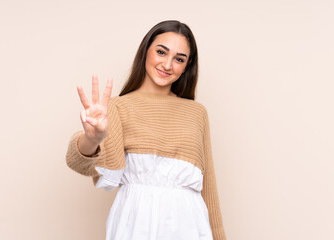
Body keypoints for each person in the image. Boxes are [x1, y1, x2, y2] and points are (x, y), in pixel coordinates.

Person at [65, 20, 226, 240]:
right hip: (135, 221)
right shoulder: (118, 107)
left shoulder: (196, 113)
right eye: (161, 52)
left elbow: (208, 188)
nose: (168, 65)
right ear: (146, 51)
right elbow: (97, 171)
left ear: (187, 66)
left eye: (179, 59)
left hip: (189, 222)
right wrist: (92, 139)